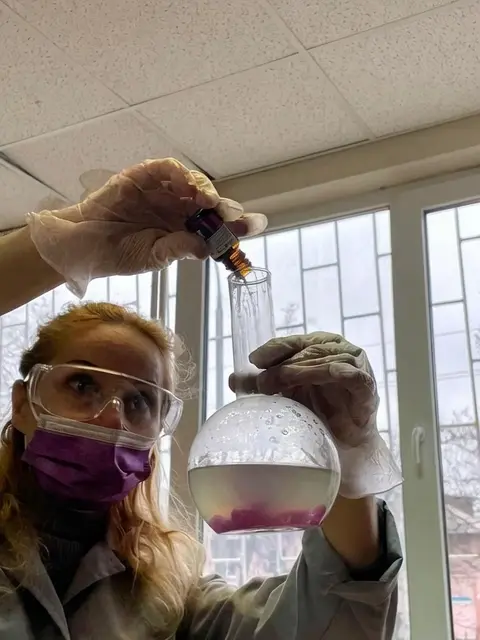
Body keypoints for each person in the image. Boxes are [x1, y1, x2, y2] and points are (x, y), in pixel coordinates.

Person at [0, 158, 403, 639]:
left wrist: (347, 457)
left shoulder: (168, 594)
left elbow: (330, 627)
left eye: (140, 401)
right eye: (83, 385)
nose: (111, 419)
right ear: (22, 402)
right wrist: (62, 244)